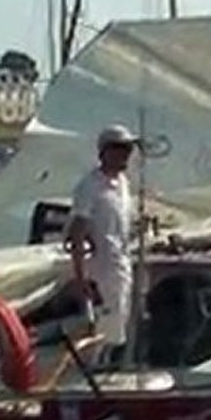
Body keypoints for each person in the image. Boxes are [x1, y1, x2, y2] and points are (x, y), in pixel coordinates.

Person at [66, 124, 139, 368]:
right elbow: (77, 232)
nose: (125, 154)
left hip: (121, 264)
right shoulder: (90, 186)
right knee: (103, 327)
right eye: (120, 148)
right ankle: (95, 370)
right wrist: (80, 277)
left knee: (119, 323)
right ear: (105, 151)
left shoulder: (123, 184)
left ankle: (109, 366)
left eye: (128, 149)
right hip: (101, 268)